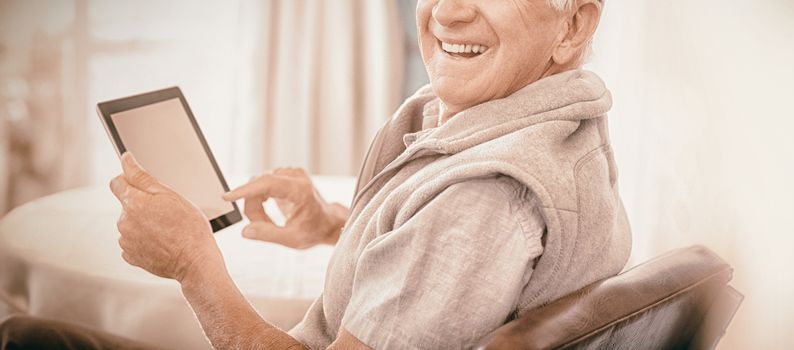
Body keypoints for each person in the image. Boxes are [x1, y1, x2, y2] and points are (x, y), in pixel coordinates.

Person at [1, 0, 629, 348]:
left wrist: (194, 266)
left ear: (574, 24)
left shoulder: (484, 200)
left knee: (30, 337)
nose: (448, 11)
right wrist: (335, 224)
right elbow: (447, 264)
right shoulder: (561, 125)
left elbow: (460, 234)